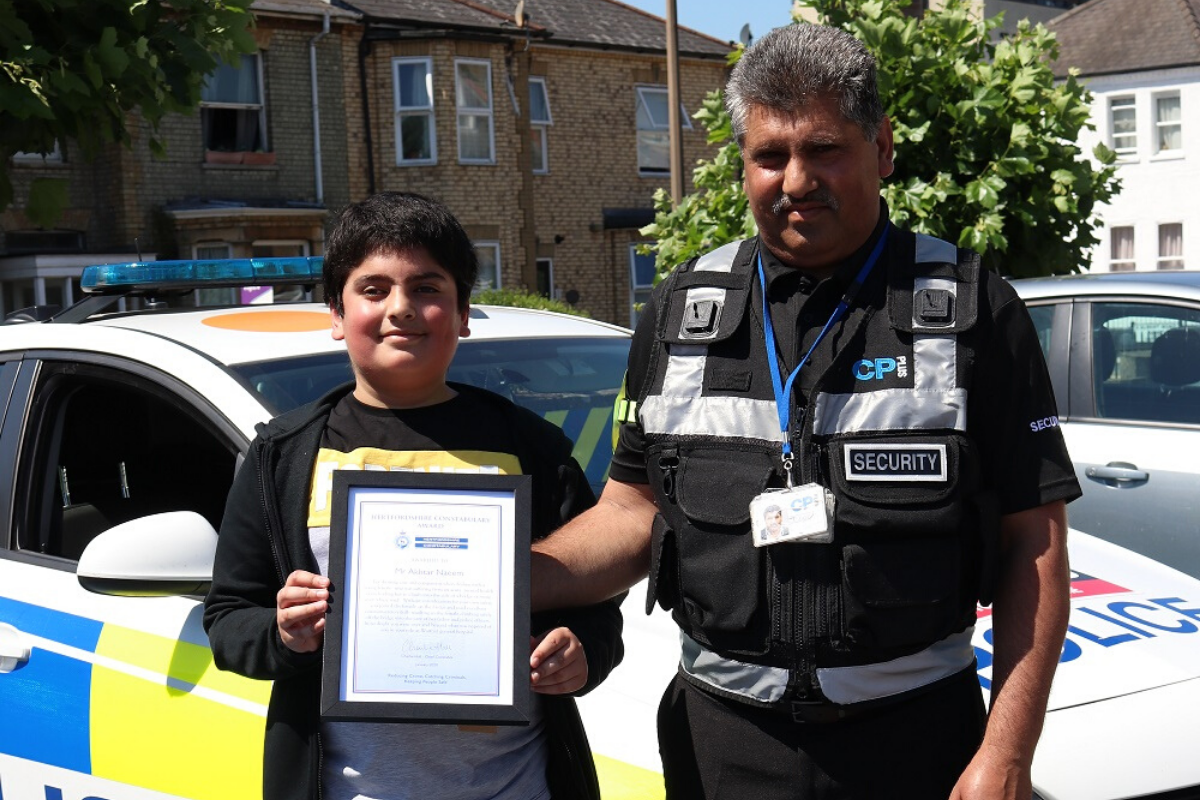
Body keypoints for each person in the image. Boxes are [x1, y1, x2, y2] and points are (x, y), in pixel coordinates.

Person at [531, 23, 1077, 800]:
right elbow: (631, 513)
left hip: (917, 743)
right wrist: (498, 581)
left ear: (882, 149)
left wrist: (1009, 750)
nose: (795, 180)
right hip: (721, 743)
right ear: (742, 164)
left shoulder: (971, 307)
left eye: (824, 150)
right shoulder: (680, 309)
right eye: (770, 155)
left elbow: (1035, 541)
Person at [203, 191, 623, 800]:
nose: (401, 308)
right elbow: (227, 621)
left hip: (519, 787)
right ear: (336, 313)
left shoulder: (530, 446)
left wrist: (583, 652)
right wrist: (285, 633)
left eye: (428, 288)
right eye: (373, 289)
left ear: (462, 314)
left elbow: (594, 600)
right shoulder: (284, 454)